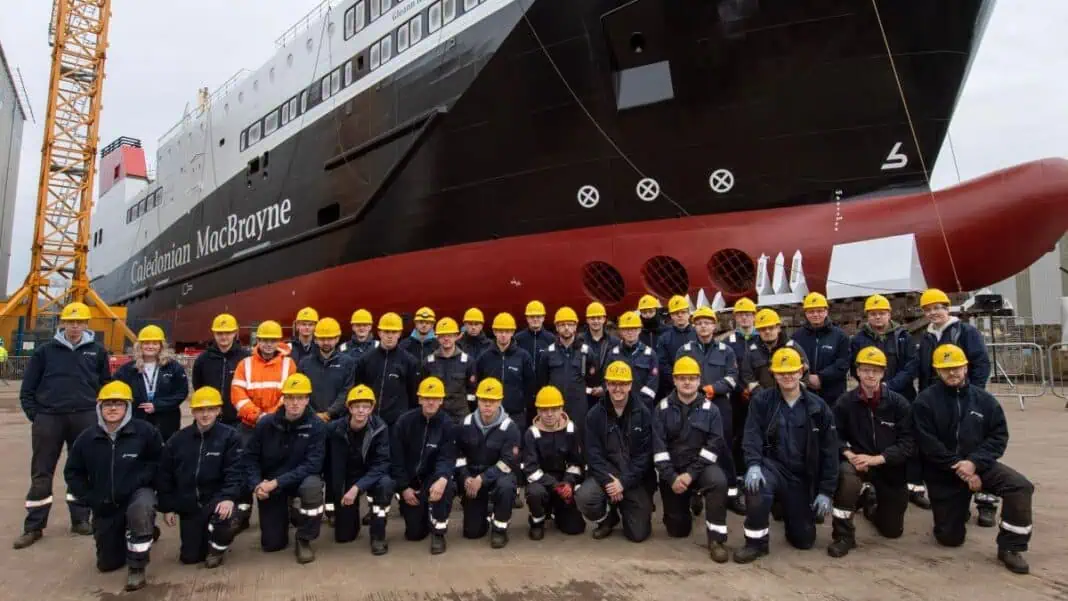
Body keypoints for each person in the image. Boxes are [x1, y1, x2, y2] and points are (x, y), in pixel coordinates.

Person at [912, 344, 1034, 574]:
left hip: (979, 465)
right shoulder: (925, 402)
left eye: (956, 367)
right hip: (944, 472)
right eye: (945, 369)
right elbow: (927, 443)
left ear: (966, 368)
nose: (952, 373)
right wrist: (962, 470)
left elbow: (998, 436)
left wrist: (975, 463)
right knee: (950, 539)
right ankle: (958, 509)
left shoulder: (984, 401)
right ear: (937, 371)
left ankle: (1011, 547)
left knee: (1020, 486)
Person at [16, 301, 112, 549]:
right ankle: (34, 526)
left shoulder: (98, 352)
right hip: (50, 418)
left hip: (84, 416)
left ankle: (80, 519)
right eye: (70, 322)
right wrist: (37, 416)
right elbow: (27, 389)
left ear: (86, 324)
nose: (75, 326)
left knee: (81, 469)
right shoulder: (45, 352)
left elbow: (106, 386)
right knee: (42, 471)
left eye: (79, 322)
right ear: (63, 323)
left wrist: (98, 414)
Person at [735, 347, 838, 564]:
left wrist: (826, 491)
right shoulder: (762, 401)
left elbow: (829, 451)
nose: (787, 376)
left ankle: (784, 508)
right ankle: (756, 543)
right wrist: (753, 465)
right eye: (782, 373)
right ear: (774, 374)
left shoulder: (818, 407)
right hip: (771, 468)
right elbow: (752, 436)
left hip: (801, 475)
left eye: (792, 371)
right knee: (756, 489)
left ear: (801, 372)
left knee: (804, 541)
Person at [63, 381, 162, 591]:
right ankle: (141, 531)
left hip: (137, 494)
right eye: (108, 404)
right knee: (108, 565)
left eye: (118, 403)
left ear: (128, 406)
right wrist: (90, 498)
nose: (113, 408)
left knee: (141, 509)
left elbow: (158, 462)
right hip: (105, 503)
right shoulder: (87, 438)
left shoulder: (145, 432)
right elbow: (72, 472)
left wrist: (141, 482)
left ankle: (137, 567)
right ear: (99, 407)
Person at [916, 288, 996, 524]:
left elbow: (981, 363)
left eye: (937, 308)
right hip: (939, 402)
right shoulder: (927, 337)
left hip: (967, 398)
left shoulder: (965, 331)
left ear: (947, 308)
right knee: (948, 448)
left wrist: (975, 395)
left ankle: (986, 501)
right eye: (928, 310)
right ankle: (958, 499)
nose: (933, 313)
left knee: (975, 447)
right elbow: (925, 372)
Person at [827, 347, 914, 558]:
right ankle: (844, 536)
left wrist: (877, 459)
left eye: (875, 370)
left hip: (888, 465)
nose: (870, 375)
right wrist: (849, 454)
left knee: (892, 531)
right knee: (847, 479)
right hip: (857, 464)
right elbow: (833, 436)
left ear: (883, 373)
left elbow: (908, 443)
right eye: (866, 370)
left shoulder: (898, 404)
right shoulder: (845, 403)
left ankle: (870, 504)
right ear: (857, 372)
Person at [849, 294, 926, 509]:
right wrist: (871, 386)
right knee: (874, 438)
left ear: (889, 314)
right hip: (871, 397)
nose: (877, 317)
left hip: (902, 396)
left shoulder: (903, 336)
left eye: (881, 313)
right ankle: (873, 485)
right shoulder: (858, 340)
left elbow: (911, 365)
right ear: (867, 316)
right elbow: (854, 367)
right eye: (873, 314)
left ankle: (914, 486)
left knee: (908, 439)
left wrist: (889, 386)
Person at [652, 356, 731, 562]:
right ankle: (688, 499)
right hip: (674, 470)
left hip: (701, 468)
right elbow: (659, 450)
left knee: (718, 482)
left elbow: (713, 447)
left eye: (692, 378)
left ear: (699, 380)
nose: (687, 382)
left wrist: (691, 474)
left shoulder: (711, 410)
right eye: (682, 378)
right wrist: (671, 478)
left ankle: (716, 540)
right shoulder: (661, 409)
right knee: (677, 530)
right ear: (674, 380)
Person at [156, 386, 244, 568]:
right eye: (200, 409)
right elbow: (165, 474)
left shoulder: (230, 437)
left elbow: (235, 471)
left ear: (218, 411)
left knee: (227, 520)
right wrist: (167, 507)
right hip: (189, 504)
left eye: (210, 409)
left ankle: (217, 548)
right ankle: (205, 538)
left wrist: (228, 497)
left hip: (216, 500)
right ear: (193, 411)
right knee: (190, 557)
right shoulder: (177, 440)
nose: (205, 414)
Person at [245, 373, 327, 563]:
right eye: (290, 397)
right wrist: (256, 485)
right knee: (272, 544)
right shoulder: (266, 424)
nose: (295, 403)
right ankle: (288, 512)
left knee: (313, 488)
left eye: (300, 398)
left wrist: (276, 483)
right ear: (283, 399)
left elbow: (313, 465)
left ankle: (304, 538)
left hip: (300, 480)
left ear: (307, 400)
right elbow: (250, 457)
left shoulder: (316, 427)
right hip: (271, 484)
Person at [674, 306, 743, 514]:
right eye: (699, 323)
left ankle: (731, 494)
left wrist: (713, 389)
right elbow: (679, 377)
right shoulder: (684, 351)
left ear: (714, 326)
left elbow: (732, 378)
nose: (703, 326)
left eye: (707, 323)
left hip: (719, 405)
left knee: (723, 448)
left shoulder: (726, 351)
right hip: (692, 405)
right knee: (692, 447)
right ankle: (695, 493)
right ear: (694, 326)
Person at [230, 320, 298, 531]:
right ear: (257, 340)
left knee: (282, 466)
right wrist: (257, 416)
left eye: (273, 340)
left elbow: (290, 394)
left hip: (279, 426)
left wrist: (272, 418)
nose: (269, 344)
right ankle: (242, 512)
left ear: (279, 342)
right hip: (249, 426)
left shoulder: (288, 364)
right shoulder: (245, 364)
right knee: (243, 467)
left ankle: (286, 509)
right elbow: (237, 395)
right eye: (265, 340)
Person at [576, 361, 653, 542]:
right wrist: (610, 482)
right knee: (585, 496)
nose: (618, 388)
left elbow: (644, 457)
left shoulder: (643, 413)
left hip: (632, 478)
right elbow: (593, 455)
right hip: (607, 475)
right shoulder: (594, 415)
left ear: (630, 385)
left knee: (638, 535)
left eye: (623, 384)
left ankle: (625, 507)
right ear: (606, 384)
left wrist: (623, 482)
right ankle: (607, 519)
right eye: (613, 383)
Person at [391, 377, 458, 554]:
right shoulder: (404, 422)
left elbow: (447, 457)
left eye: (435, 398)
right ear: (419, 399)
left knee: (447, 485)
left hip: (432, 478)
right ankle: (424, 514)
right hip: (410, 482)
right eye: (427, 398)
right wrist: (403, 488)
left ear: (441, 400)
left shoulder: (447, 424)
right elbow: (396, 459)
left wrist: (442, 479)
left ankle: (438, 533)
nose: (431, 402)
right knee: (414, 534)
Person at [324, 385, 392, 555]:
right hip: (347, 476)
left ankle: (378, 536)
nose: (361, 411)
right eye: (356, 406)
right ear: (349, 408)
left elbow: (382, 464)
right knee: (344, 536)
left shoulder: (380, 428)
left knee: (385, 484)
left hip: (372, 475)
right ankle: (348, 521)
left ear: (371, 408)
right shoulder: (334, 429)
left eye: (365, 406)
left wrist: (357, 488)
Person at [454, 378, 522, 548]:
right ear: (477, 400)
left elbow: (507, 462)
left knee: (506, 486)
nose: (487, 405)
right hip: (473, 478)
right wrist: (466, 477)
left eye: (492, 400)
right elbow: (458, 456)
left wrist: (483, 478)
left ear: (500, 401)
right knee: (472, 533)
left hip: (499, 476)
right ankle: (485, 512)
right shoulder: (465, 424)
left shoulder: (510, 427)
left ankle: (499, 529)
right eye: (484, 400)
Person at [522, 386, 585, 540]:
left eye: (554, 409)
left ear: (561, 409)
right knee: (535, 493)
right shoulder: (531, 433)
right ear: (538, 411)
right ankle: (537, 521)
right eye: (544, 410)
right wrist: (555, 485)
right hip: (541, 483)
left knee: (575, 528)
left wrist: (568, 483)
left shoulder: (571, 430)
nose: (549, 414)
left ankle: (558, 511)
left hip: (564, 482)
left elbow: (576, 463)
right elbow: (531, 470)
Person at [341, 312, 419, 426]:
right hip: (370, 421)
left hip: (397, 423)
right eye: (386, 331)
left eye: (394, 332)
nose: (390, 336)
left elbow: (413, 396)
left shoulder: (409, 361)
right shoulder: (366, 359)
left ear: (400, 334)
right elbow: (358, 388)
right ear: (379, 333)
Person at [114, 325, 189, 443]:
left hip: (166, 421)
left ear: (161, 346)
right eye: (146, 343)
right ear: (140, 346)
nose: (150, 346)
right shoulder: (127, 369)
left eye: (155, 343)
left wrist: (158, 405)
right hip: (137, 419)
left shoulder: (173, 367)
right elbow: (117, 391)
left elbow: (181, 392)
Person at [537, 306, 596, 436]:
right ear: (557, 328)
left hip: (579, 408)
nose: (566, 328)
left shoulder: (586, 352)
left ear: (575, 327)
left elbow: (592, 380)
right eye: (562, 325)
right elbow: (542, 382)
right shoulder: (548, 353)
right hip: (555, 408)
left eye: (570, 324)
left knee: (579, 440)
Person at [474, 312, 536, 430]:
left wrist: (522, 405)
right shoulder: (484, 357)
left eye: (507, 331)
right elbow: (478, 384)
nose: (503, 335)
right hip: (491, 415)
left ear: (513, 332)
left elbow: (530, 385)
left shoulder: (523, 357)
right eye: (500, 331)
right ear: (494, 332)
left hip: (516, 415)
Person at [790, 292, 850, 407]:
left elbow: (843, 363)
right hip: (806, 394)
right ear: (806, 313)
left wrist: (821, 377)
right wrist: (807, 378)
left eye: (820, 311)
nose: (815, 314)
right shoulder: (797, 337)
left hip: (834, 395)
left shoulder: (840, 336)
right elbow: (793, 362)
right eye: (811, 311)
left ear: (826, 311)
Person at [191, 313, 250, 428]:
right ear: (214, 333)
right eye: (219, 333)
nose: (223, 337)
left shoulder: (246, 358)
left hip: (238, 419)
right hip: (210, 419)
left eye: (228, 333)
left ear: (235, 333)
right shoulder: (203, 359)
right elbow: (198, 386)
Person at [297, 317, 355, 419]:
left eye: (330, 339)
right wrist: (313, 414)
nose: (326, 342)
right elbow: (301, 392)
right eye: (322, 339)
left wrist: (329, 413)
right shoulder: (304, 363)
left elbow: (346, 392)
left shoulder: (348, 363)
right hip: (310, 419)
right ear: (316, 339)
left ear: (337, 339)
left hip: (338, 420)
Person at [423, 317, 477, 423]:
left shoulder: (468, 361)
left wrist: (469, 410)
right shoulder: (429, 362)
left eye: (450, 335)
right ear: (437, 338)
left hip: (460, 416)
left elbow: (472, 390)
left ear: (456, 336)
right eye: (442, 336)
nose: (446, 339)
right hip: (436, 415)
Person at [605, 311, 660, 408]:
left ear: (640, 330)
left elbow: (652, 385)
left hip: (643, 407)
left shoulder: (650, 354)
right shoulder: (612, 354)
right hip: (618, 406)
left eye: (634, 329)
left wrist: (638, 405)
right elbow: (607, 381)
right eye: (626, 329)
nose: (630, 332)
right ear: (621, 331)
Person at [654, 295, 696, 394]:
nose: (680, 315)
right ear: (671, 316)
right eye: (676, 313)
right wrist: (677, 381)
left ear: (689, 313)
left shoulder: (698, 334)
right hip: (673, 388)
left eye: (683, 312)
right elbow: (663, 364)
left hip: (697, 384)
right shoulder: (664, 338)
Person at [514, 300, 555, 370]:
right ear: (527, 318)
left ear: (543, 318)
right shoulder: (518, 338)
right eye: (532, 316)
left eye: (538, 316)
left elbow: (553, 362)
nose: (535, 319)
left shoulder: (551, 339)